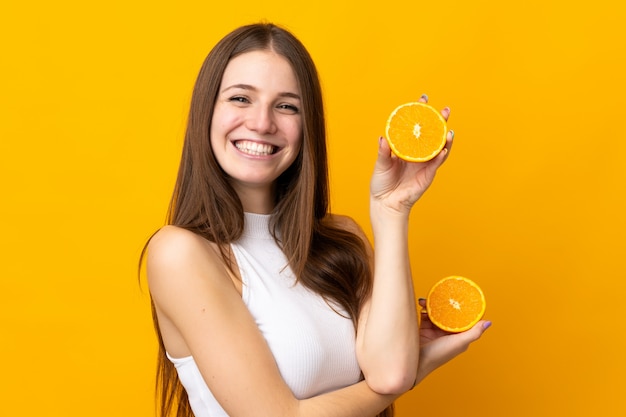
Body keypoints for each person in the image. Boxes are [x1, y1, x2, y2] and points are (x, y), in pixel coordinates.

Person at [143, 22, 490, 417]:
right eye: (241, 99)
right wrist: (417, 367)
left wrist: (391, 210)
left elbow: (390, 373)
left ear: (307, 126)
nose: (261, 123)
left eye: (286, 105)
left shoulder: (342, 240)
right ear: (206, 111)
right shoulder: (180, 254)